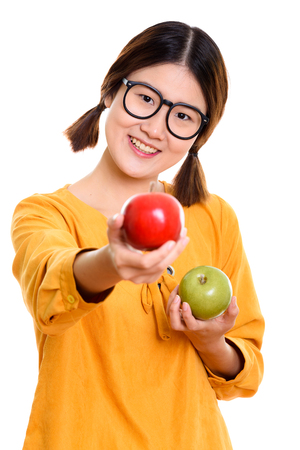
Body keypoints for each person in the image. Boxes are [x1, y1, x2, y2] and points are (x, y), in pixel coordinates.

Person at [11, 21, 264, 450]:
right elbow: (47, 292)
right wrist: (112, 260)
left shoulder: (213, 217)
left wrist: (211, 340)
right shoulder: (45, 213)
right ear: (112, 89)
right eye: (146, 98)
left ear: (198, 134)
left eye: (182, 116)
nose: (155, 128)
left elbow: (246, 371)